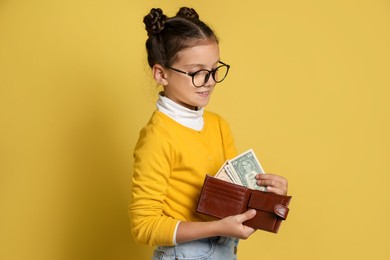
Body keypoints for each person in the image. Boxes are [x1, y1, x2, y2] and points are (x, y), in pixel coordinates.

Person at [129, 7, 288, 259]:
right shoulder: (158, 137)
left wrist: (269, 202)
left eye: (214, 69)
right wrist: (217, 227)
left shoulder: (218, 125)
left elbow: (236, 207)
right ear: (161, 73)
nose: (210, 80)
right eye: (197, 72)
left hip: (225, 250)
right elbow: (144, 226)